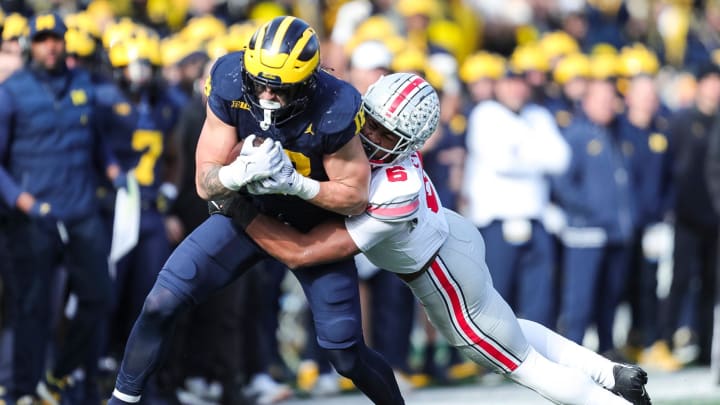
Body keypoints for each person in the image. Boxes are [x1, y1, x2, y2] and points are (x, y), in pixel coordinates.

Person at [228, 72, 652, 405]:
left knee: (517, 362)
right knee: (510, 328)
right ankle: (608, 372)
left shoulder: (395, 189)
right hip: (452, 235)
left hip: (441, 273)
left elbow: (311, 251)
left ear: (409, 143)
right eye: (370, 124)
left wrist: (256, 202)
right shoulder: (368, 144)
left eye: (385, 136)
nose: (371, 138)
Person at [107, 16, 404, 405]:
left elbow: (354, 196)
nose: (265, 94)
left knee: (344, 352)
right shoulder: (230, 79)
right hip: (250, 214)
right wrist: (235, 174)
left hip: (314, 224)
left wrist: (298, 184)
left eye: (278, 88)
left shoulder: (335, 105)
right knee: (161, 301)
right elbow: (204, 181)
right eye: (259, 81)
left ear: (307, 82)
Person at [0, 13, 122, 404]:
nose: (50, 46)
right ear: (29, 45)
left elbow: (97, 139)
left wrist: (113, 168)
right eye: (43, 39)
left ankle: (59, 377)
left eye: (56, 39)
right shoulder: (10, 92)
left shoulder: (82, 84)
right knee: (31, 308)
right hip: (33, 216)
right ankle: (21, 389)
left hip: (81, 210)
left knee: (99, 296)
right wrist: (21, 199)